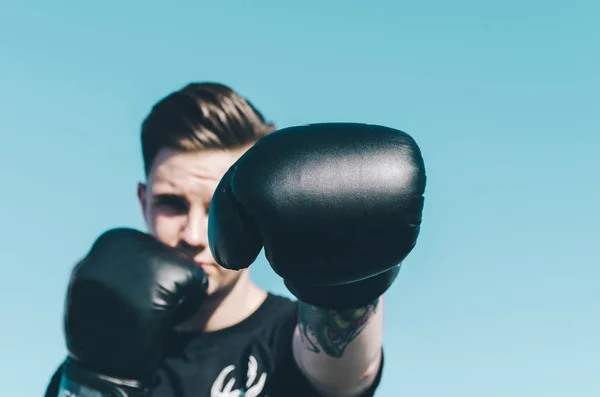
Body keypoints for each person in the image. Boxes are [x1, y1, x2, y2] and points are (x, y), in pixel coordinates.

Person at [43, 82, 427, 397]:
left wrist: (347, 286)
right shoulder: (102, 351)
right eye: (172, 204)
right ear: (144, 202)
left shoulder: (291, 338)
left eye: (215, 207)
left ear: (257, 209)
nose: (193, 235)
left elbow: (345, 374)